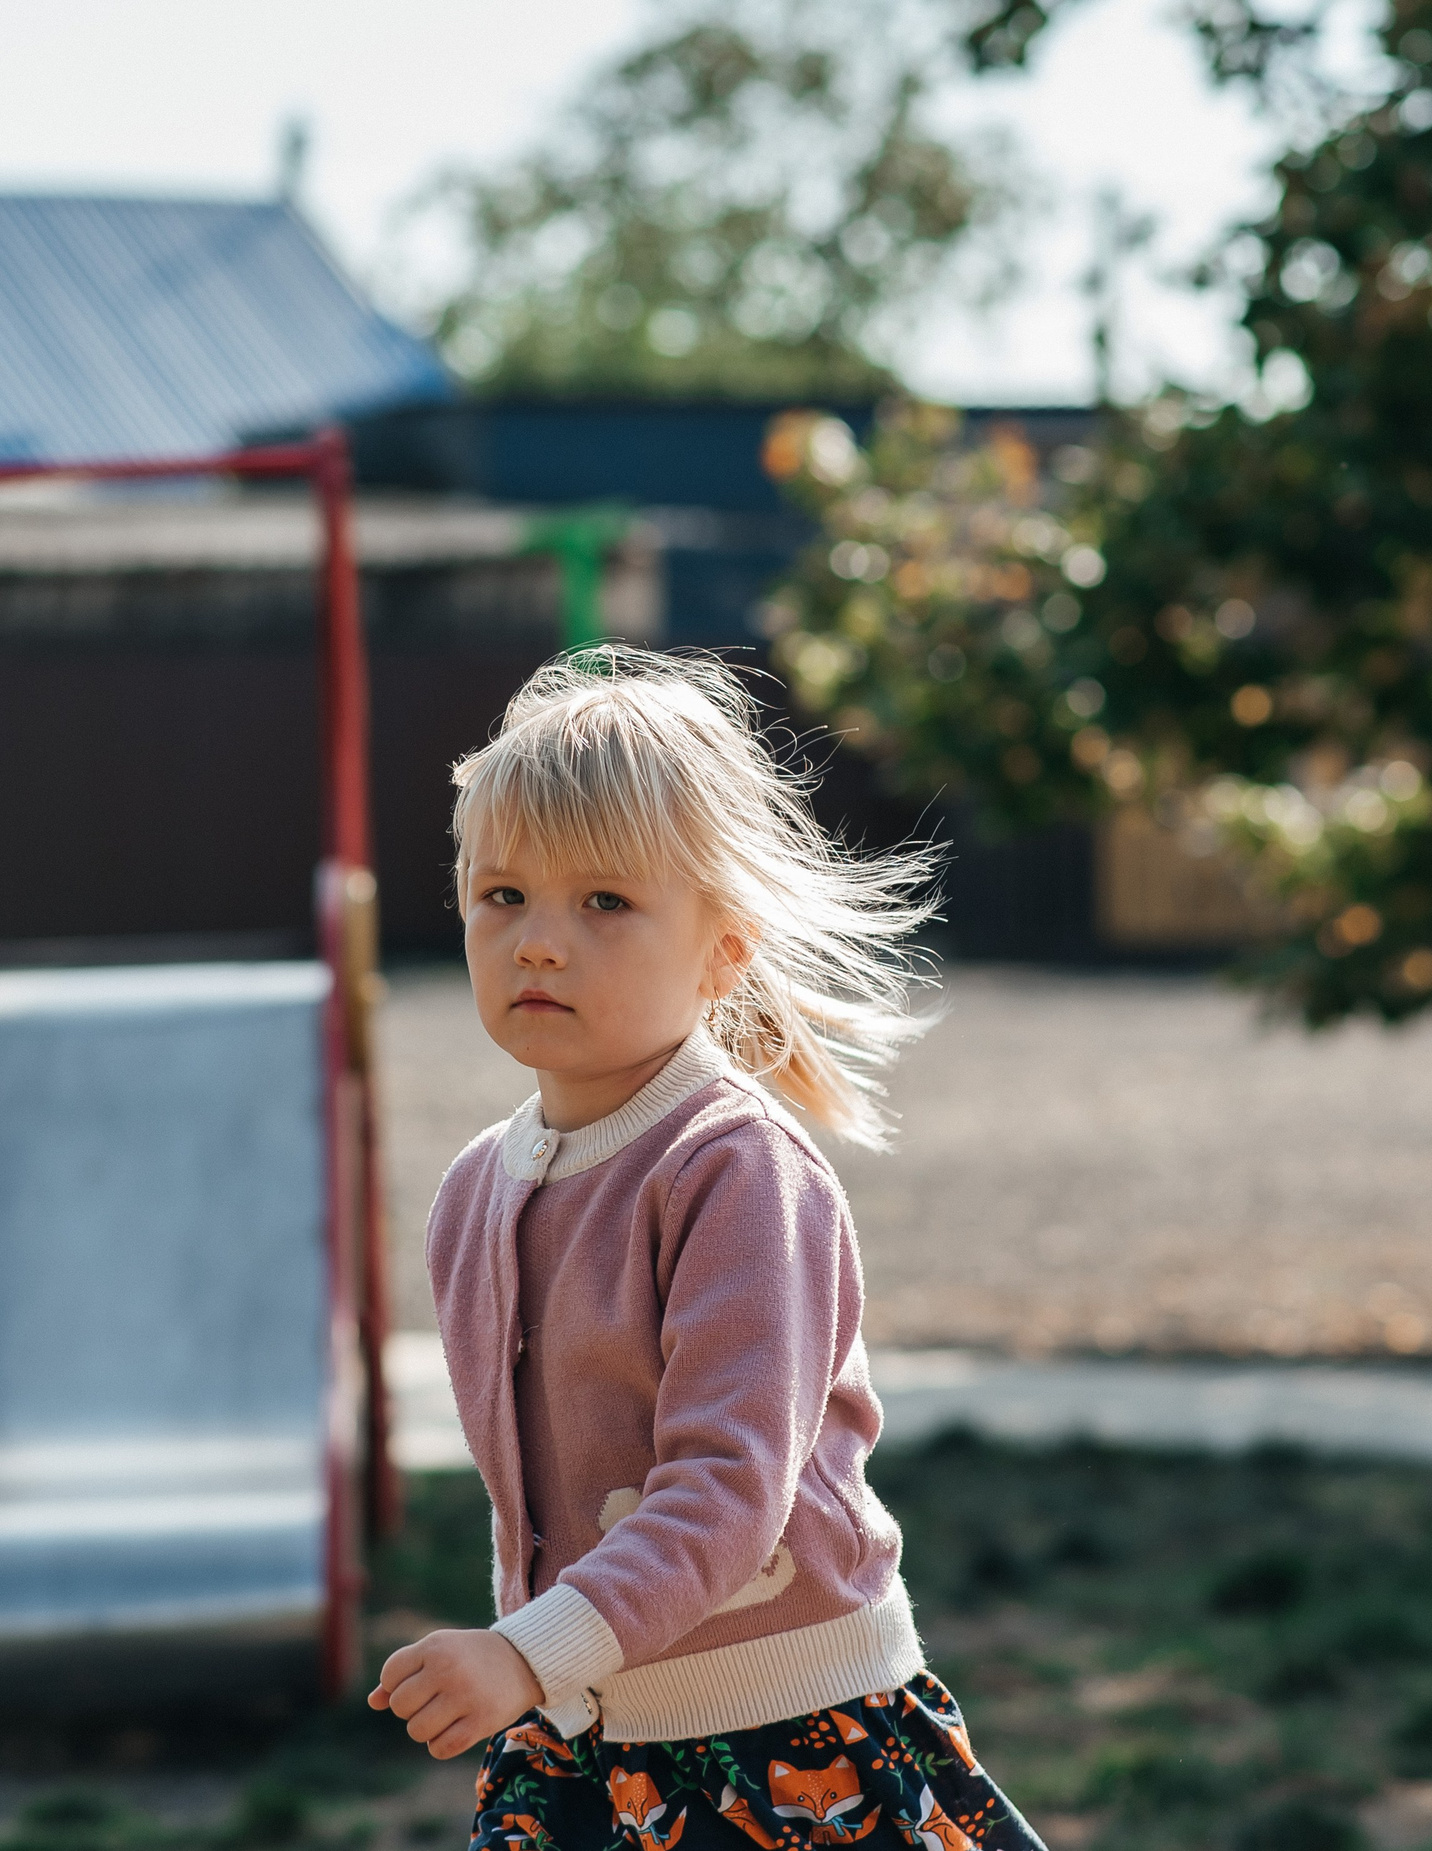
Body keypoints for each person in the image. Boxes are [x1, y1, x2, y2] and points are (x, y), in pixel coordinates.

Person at [369, 648, 1045, 1850]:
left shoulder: (734, 1172)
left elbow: (727, 1489)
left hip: (786, 1744)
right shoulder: (477, 1190)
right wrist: (539, 1667)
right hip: (582, 1740)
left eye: (606, 902)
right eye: (502, 895)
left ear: (722, 948)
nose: (537, 942)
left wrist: (526, 1653)